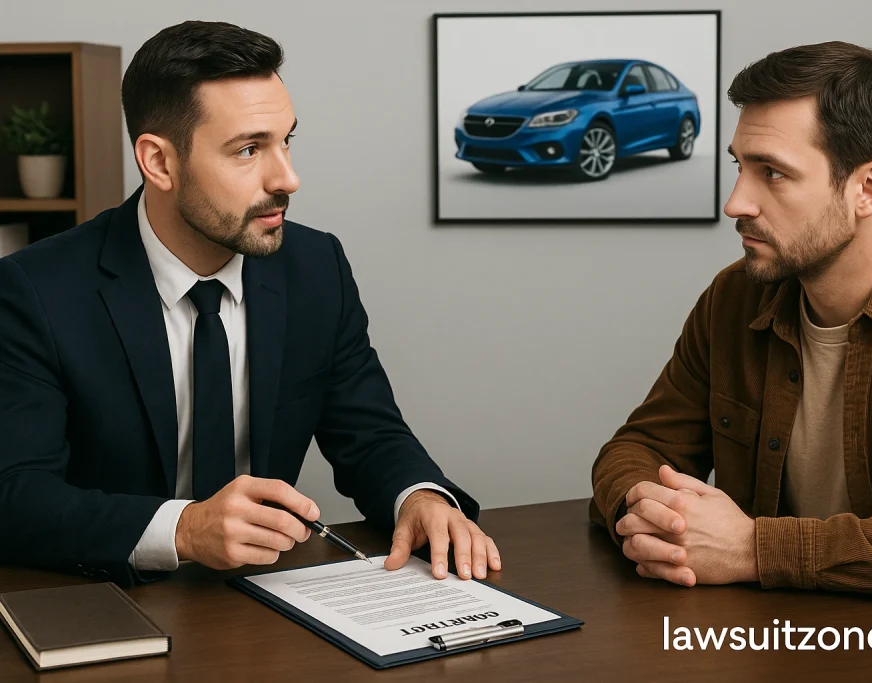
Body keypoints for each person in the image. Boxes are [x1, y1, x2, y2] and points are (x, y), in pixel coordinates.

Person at [0, 21, 499, 588]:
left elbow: (371, 433)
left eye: (286, 140)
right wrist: (183, 530)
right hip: (104, 600)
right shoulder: (34, 290)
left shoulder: (317, 266)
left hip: (267, 600)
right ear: (159, 162)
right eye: (248, 149)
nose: (288, 176)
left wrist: (422, 497)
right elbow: (14, 493)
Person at [590, 41, 872, 599]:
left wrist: (753, 549)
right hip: (764, 640)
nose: (736, 202)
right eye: (738, 166)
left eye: (772, 173)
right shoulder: (734, 298)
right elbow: (636, 450)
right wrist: (656, 517)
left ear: (869, 187)